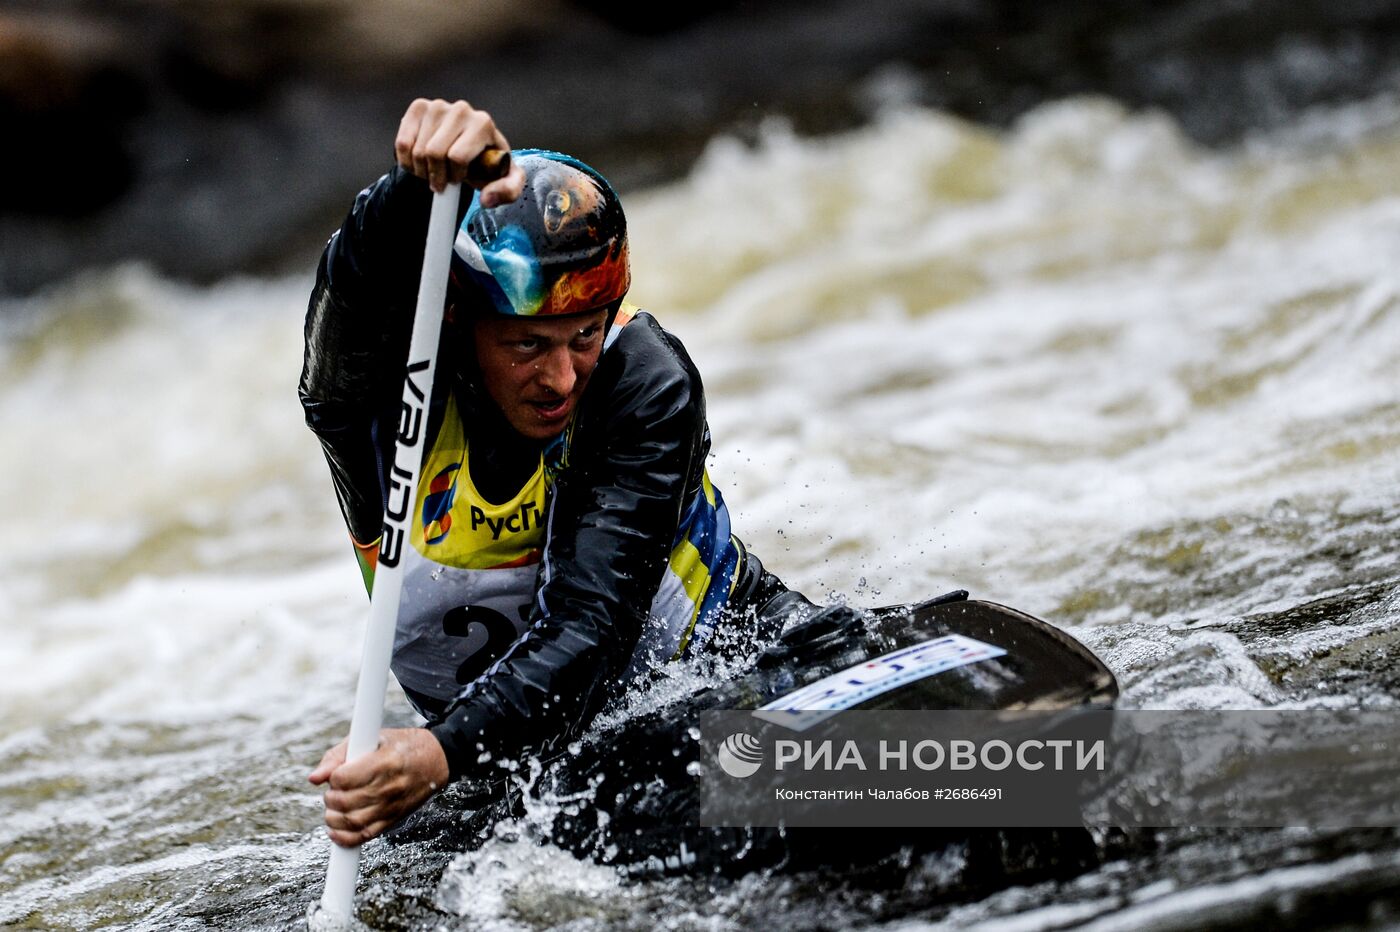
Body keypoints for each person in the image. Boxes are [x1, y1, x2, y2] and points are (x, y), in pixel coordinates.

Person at [301, 99, 812, 847]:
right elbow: (350, 294)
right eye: (526, 346)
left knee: (1019, 779)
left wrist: (440, 751)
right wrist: (416, 185)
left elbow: (589, 627)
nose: (563, 378)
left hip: (741, 681)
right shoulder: (383, 416)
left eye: (582, 336)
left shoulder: (641, 381)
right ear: (457, 323)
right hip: (504, 761)